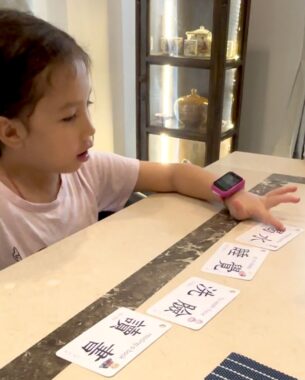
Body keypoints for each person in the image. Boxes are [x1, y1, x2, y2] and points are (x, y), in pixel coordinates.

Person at [0, 9, 300, 271]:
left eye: (87, 107)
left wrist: (232, 195)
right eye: (68, 117)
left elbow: (172, 174)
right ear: (11, 132)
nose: (90, 129)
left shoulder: (88, 171)